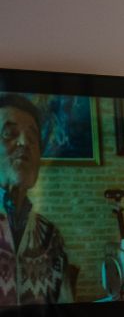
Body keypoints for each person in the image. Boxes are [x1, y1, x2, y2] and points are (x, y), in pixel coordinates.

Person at [0, 93, 73, 305]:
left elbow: (66, 316)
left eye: (33, 138)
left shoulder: (51, 237)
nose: (24, 143)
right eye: (9, 133)